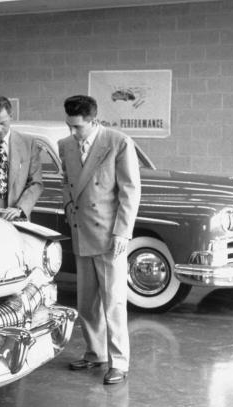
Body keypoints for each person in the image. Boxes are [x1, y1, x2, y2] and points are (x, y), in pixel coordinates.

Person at [59, 95, 141, 385]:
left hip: (108, 235)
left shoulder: (118, 142)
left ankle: (119, 362)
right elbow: (67, 184)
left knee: (114, 303)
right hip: (82, 231)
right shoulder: (65, 146)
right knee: (87, 302)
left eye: (78, 127)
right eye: (69, 126)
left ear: (94, 121)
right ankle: (95, 353)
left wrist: (122, 232)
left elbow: (129, 191)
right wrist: (71, 212)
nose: (73, 132)